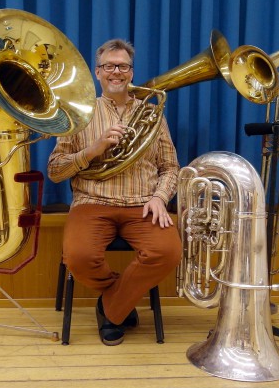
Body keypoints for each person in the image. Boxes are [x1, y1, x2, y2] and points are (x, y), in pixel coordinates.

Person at [47, 39, 182, 346]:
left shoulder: (152, 115)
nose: (116, 72)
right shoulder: (80, 113)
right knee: (79, 257)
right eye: (109, 66)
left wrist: (160, 196)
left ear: (131, 72)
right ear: (98, 72)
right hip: (93, 201)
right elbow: (55, 170)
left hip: (142, 204)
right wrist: (93, 150)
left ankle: (111, 309)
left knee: (169, 251)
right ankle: (122, 301)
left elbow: (170, 166)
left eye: (123, 66)